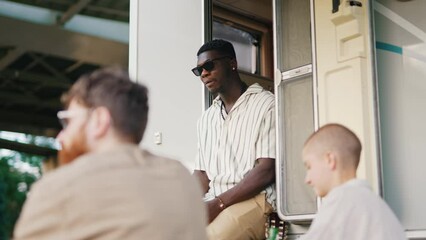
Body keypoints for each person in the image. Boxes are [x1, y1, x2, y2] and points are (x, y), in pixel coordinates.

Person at [13, 67, 208, 240]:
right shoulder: (182, 178)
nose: (61, 136)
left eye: (68, 121)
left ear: (99, 120)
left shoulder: (58, 188)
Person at [191, 39, 276, 240]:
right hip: (215, 202)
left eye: (209, 66)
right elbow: (201, 175)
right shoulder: (207, 118)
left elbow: (266, 170)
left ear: (232, 63)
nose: (204, 74)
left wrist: (218, 203)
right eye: (198, 70)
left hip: (257, 200)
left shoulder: (266, 104)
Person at [300, 123, 406, 240]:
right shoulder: (377, 206)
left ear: (330, 160)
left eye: (309, 166)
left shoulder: (341, 201)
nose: (307, 180)